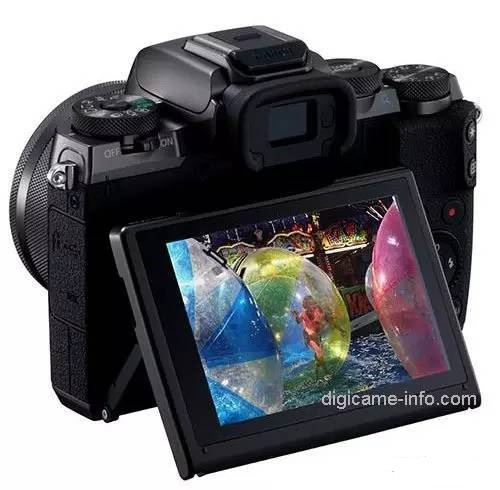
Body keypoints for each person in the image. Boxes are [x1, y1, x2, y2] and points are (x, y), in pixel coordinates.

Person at [293, 295, 328, 379]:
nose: (312, 306)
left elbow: (321, 321)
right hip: (309, 337)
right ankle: (326, 372)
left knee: (319, 355)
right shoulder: (303, 314)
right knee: (319, 353)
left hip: (317, 336)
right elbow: (298, 321)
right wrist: (296, 315)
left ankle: (317, 374)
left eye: (313, 303)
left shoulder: (316, 311)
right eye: (309, 304)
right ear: (305, 306)